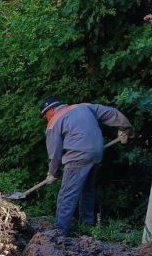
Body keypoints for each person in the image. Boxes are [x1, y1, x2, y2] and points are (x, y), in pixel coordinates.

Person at [41, 97, 133, 233]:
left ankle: (60, 232)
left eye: (45, 116)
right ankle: (87, 226)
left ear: (51, 109)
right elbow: (111, 113)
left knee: (67, 195)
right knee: (87, 189)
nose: (46, 120)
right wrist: (126, 129)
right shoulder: (83, 106)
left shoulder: (54, 121)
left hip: (77, 157)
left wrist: (53, 172)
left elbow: (54, 153)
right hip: (96, 154)